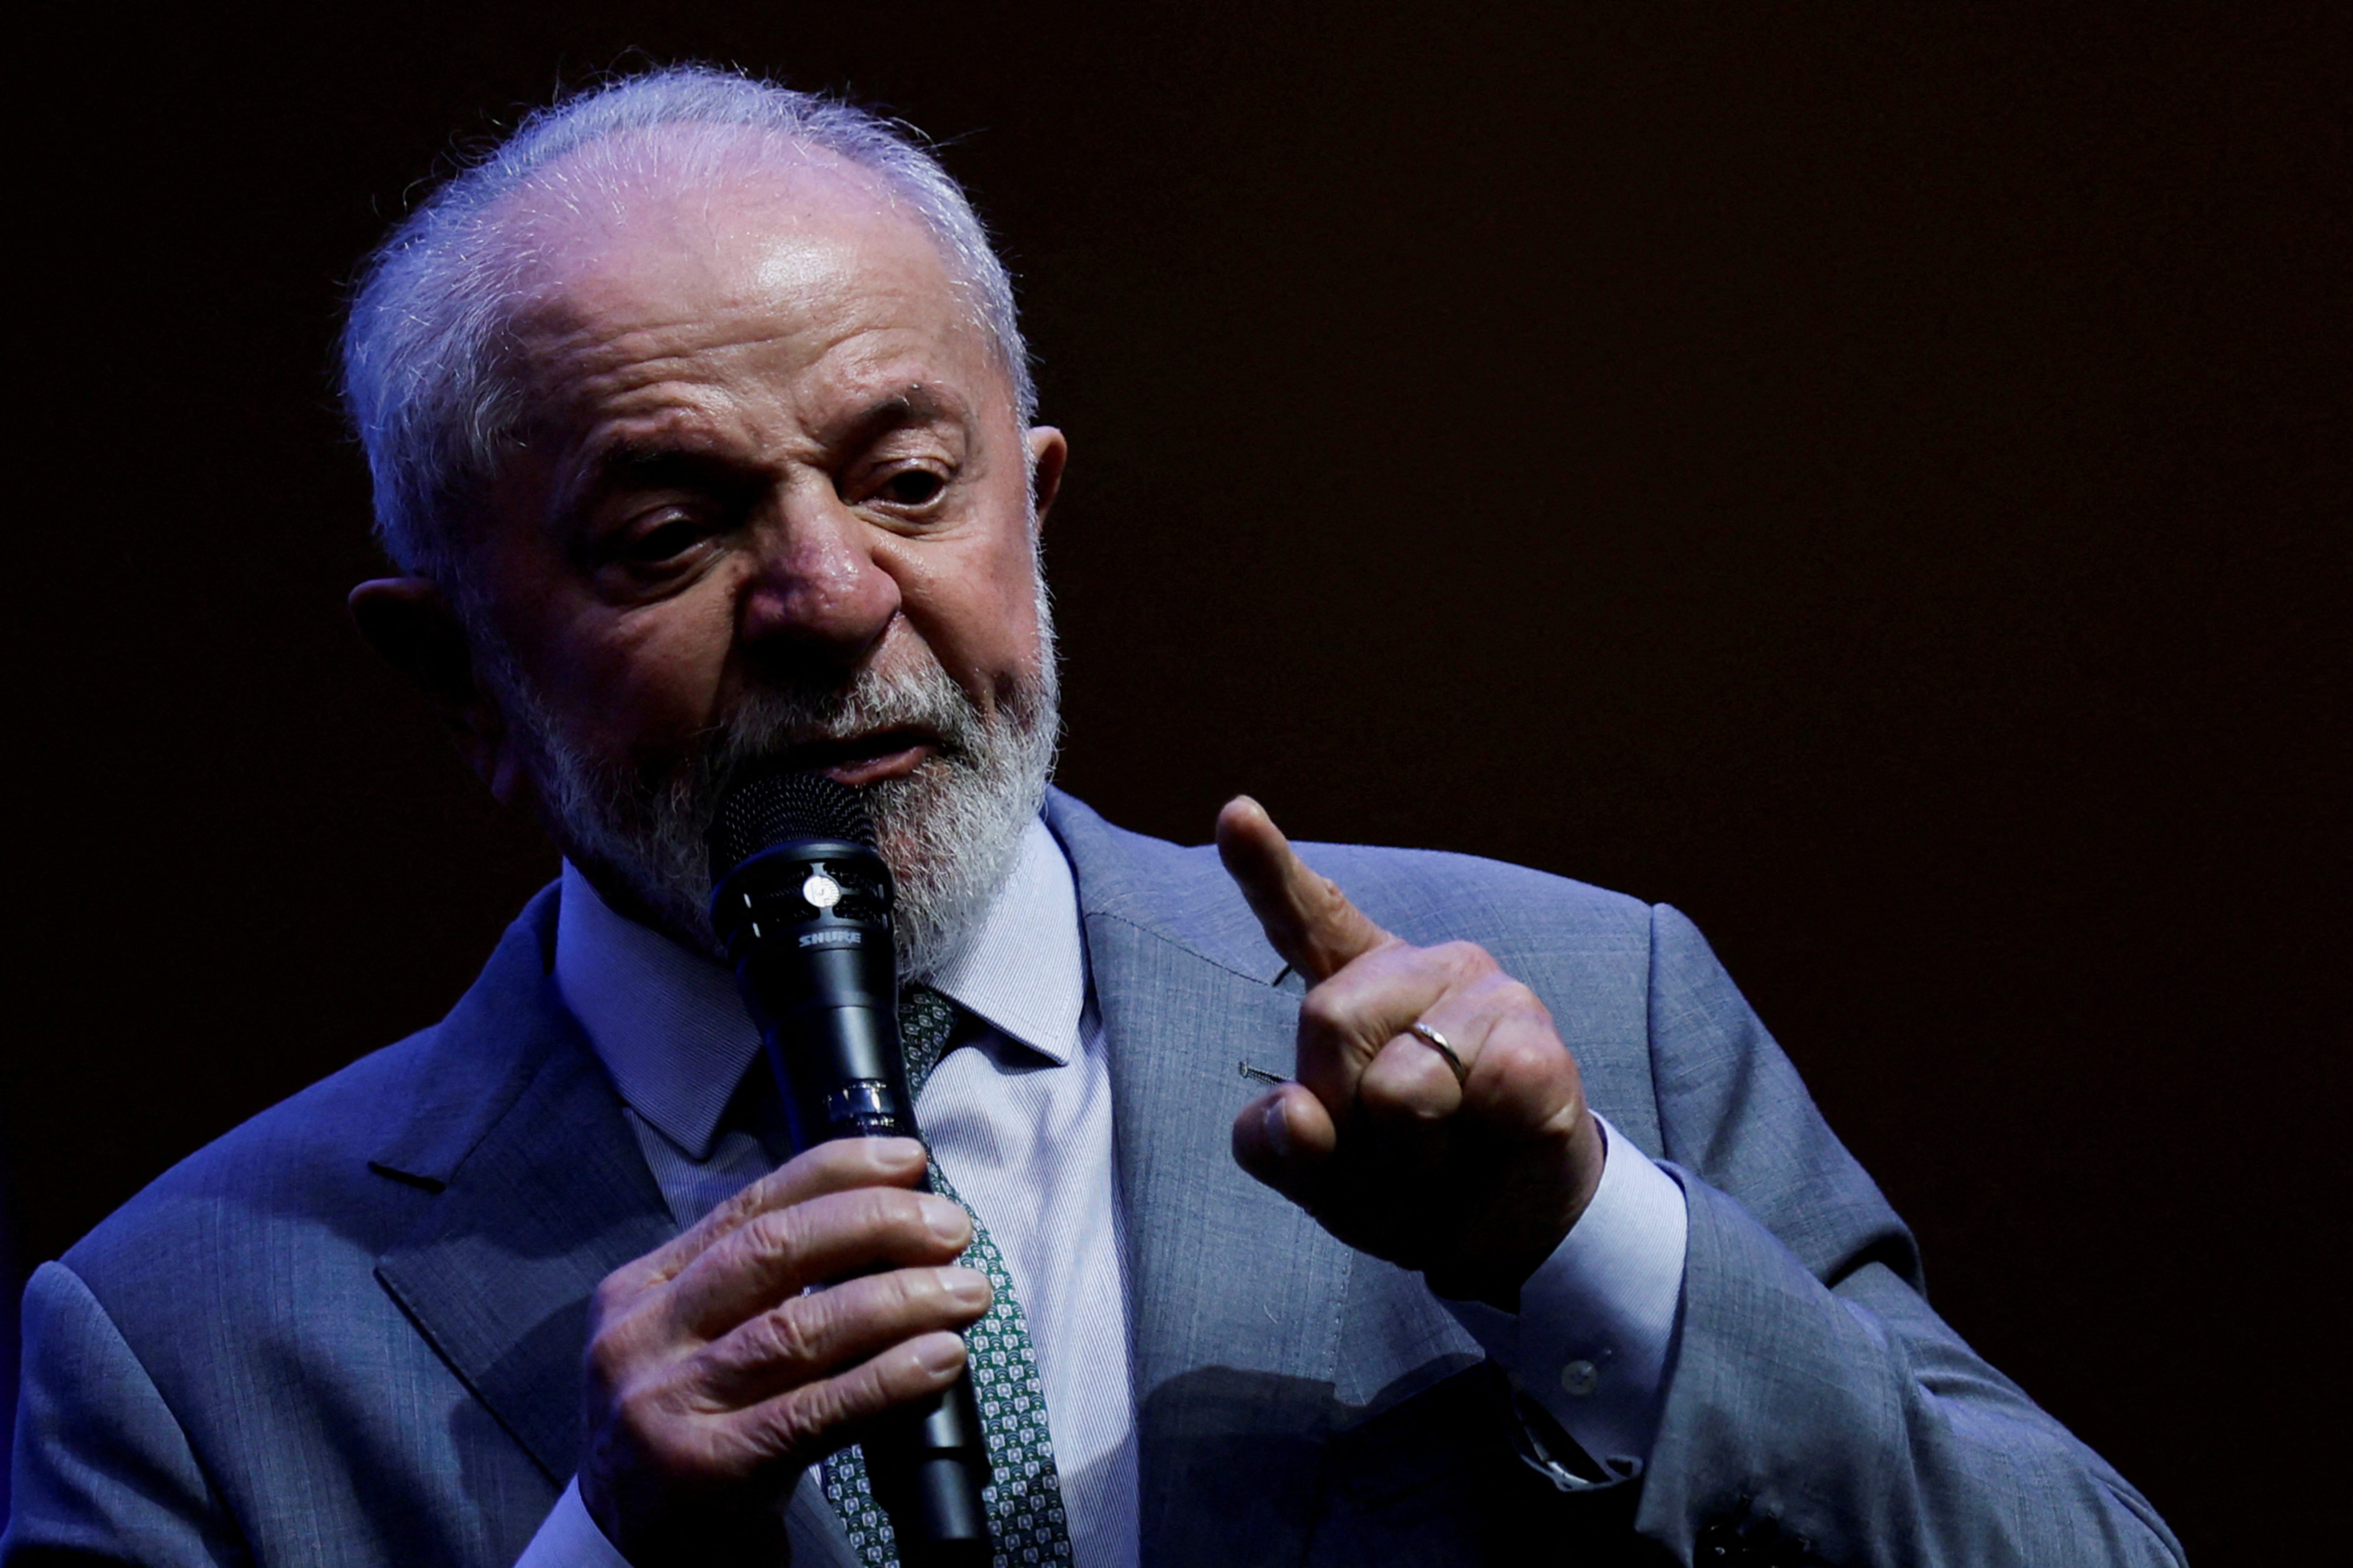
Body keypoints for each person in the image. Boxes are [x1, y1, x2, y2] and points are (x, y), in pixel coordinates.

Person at [5, 67, 2182, 1568]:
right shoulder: (186, 1341)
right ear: (455, 675)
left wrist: (1576, 1245)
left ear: (1033, 515)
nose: (833, 598)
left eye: (907, 481)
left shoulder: (1594, 1012)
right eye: (671, 532)